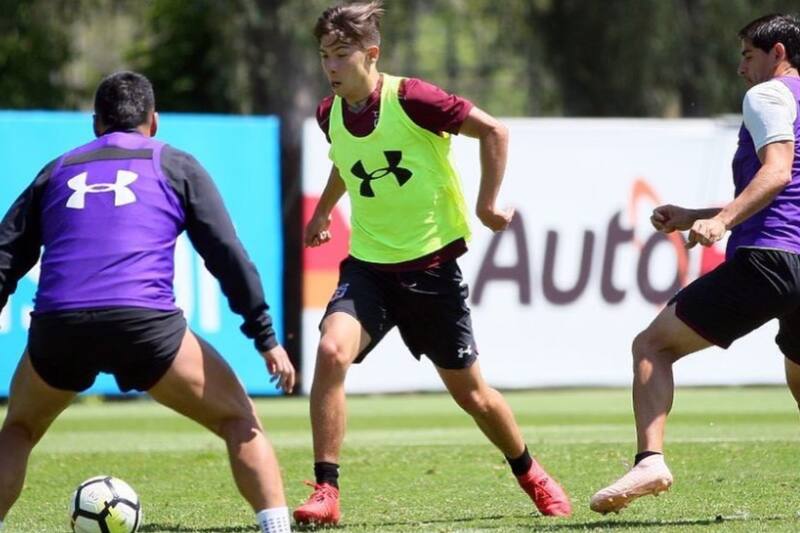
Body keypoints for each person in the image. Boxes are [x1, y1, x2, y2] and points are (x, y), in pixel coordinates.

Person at [295, 1, 572, 525]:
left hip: (431, 270)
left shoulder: (414, 98)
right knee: (331, 351)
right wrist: (325, 210)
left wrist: (488, 204)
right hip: (369, 267)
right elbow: (348, 164)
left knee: (474, 396)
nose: (330, 67)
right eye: (323, 56)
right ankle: (326, 490)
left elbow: (495, 132)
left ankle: (530, 471)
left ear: (370, 54)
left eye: (340, 55)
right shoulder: (328, 114)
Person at [0, 72, 295, 533]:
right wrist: (264, 336)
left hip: (60, 327)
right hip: (145, 325)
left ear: (95, 123)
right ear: (153, 121)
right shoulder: (175, 164)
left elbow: (4, 255)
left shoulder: (56, 170)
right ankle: (276, 528)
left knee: (18, 430)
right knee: (239, 419)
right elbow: (226, 253)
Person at [590, 13, 800, 514]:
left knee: (652, 346)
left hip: (771, 257)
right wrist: (694, 214)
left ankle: (650, 460)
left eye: (748, 54)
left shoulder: (768, 96)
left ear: (777, 54)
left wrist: (723, 220)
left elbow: (776, 174)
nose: (740, 68)